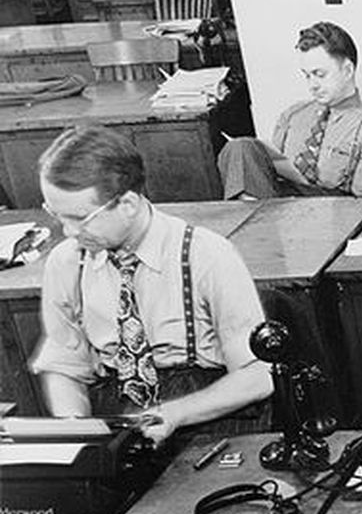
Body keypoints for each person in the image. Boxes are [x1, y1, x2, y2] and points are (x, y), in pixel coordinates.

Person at [31, 126, 273, 446]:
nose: (69, 231)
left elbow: (257, 376)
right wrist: (77, 429)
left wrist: (174, 414)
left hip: (207, 418)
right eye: (57, 215)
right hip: (120, 415)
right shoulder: (67, 262)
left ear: (128, 204)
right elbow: (64, 367)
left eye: (80, 218)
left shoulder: (206, 255)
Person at [218, 21, 362, 199]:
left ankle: (252, 214)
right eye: (307, 76)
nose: (313, 85)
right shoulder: (293, 115)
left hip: (334, 212)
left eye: (320, 75)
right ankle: (250, 211)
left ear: (347, 70)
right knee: (240, 147)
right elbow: (268, 176)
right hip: (279, 207)